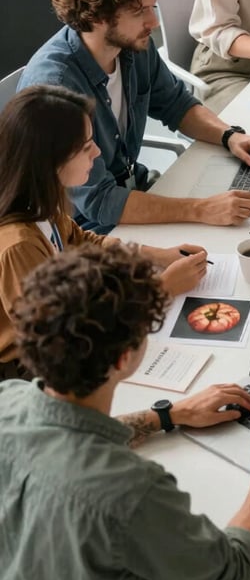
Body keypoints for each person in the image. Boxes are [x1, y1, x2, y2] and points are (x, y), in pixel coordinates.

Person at [0, 241, 250, 580]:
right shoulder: (131, 489)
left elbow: (66, 434)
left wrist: (166, 416)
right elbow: (230, 576)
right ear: (126, 357)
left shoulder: (8, 398)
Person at [19, 0, 250, 232]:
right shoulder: (55, 87)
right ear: (99, 16)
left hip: (133, 190)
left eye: (152, 7)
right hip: (84, 229)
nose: (153, 21)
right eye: (138, 11)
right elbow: (99, 202)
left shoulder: (133, 47)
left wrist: (230, 137)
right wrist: (201, 209)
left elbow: (175, 104)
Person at [0, 84, 210, 382]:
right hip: (27, 375)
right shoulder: (18, 245)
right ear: (51, 160)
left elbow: (80, 240)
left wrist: (156, 255)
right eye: (86, 147)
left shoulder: (40, 200)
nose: (97, 152)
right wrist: (160, 290)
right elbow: (58, 344)